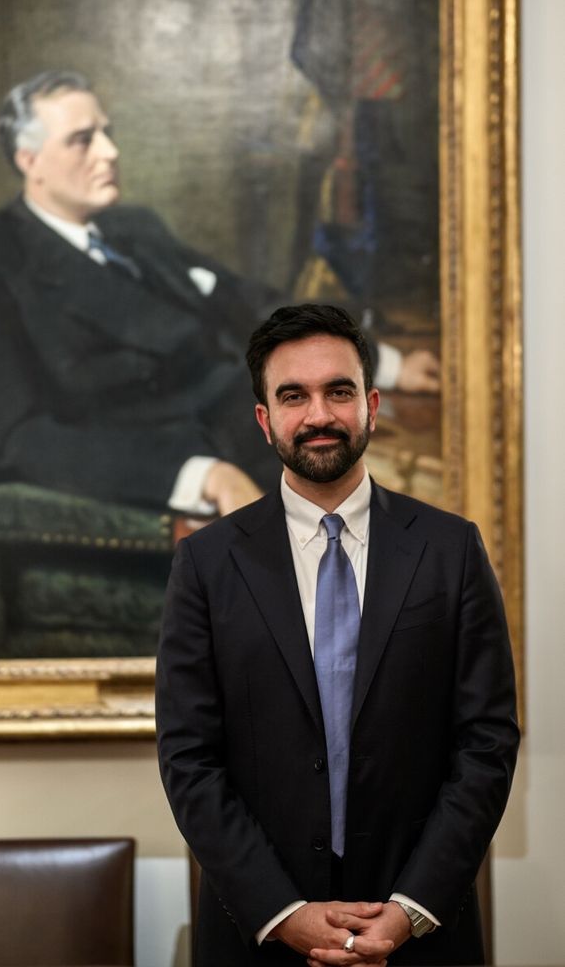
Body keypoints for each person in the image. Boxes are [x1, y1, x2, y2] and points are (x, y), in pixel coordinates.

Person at [155, 303, 519, 966]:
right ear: (265, 420)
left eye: (339, 391)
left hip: (418, 936)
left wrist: (410, 910)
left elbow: (486, 743)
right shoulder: (206, 566)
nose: (319, 414)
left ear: (371, 406)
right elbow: (189, 758)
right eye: (293, 396)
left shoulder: (451, 551)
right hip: (258, 936)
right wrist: (283, 912)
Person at [0, 70, 437, 519]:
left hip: (263, 420)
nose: (110, 153)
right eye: (82, 141)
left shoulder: (133, 227)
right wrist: (199, 475)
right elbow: (20, 438)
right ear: (30, 161)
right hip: (187, 468)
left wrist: (381, 360)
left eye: (107, 133)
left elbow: (243, 300)